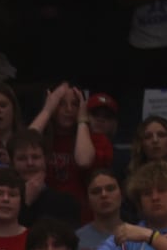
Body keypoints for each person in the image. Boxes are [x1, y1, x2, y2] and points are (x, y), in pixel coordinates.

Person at [28, 83, 113, 215]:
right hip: (42, 215)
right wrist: (47, 110)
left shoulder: (97, 140)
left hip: (82, 217)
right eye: (61, 103)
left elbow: (83, 161)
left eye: (75, 104)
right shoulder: (41, 138)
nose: (69, 109)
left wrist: (82, 120)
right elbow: (23, 145)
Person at [10, 131, 81, 228]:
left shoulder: (66, 202)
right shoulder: (4, 201)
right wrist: (26, 202)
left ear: (45, 159)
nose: (30, 163)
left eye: (35, 157)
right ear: (12, 163)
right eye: (22, 158)